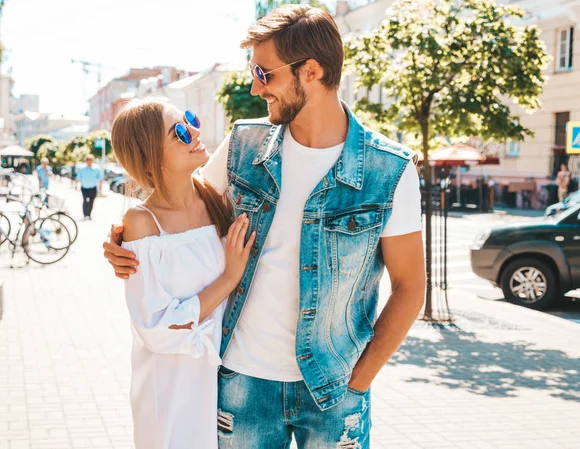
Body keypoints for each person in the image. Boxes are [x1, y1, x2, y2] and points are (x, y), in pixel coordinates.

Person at [103, 5, 425, 448]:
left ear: (310, 71)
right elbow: (175, 205)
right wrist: (124, 235)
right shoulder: (242, 145)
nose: (256, 87)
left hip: (333, 393)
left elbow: (410, 287)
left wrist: (359, 381)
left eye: (264, 73)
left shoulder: (389, 170)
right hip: (241, 384)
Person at [112, 99, 255, 448]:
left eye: (190, 119)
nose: (193, 131)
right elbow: (157, 329)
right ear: (149, 157)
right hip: (171, 393)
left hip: (226, 387)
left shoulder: (217, 199)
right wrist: (228, 279)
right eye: (178, 131)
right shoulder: (142, 223)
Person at [76, 154, 103, 219]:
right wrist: (76, 185)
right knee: (85, 201)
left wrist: (100, 186)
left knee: (91, 201)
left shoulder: (96, 168)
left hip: (93, 188)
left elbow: (100, 178)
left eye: (90, 160)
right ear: (86, 161)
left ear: (92, 161)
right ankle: (85, 214)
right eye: (88, 160)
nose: (89, 162)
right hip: (84, 188)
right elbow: (78, 177)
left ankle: (89, 214)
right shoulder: (82, 168)